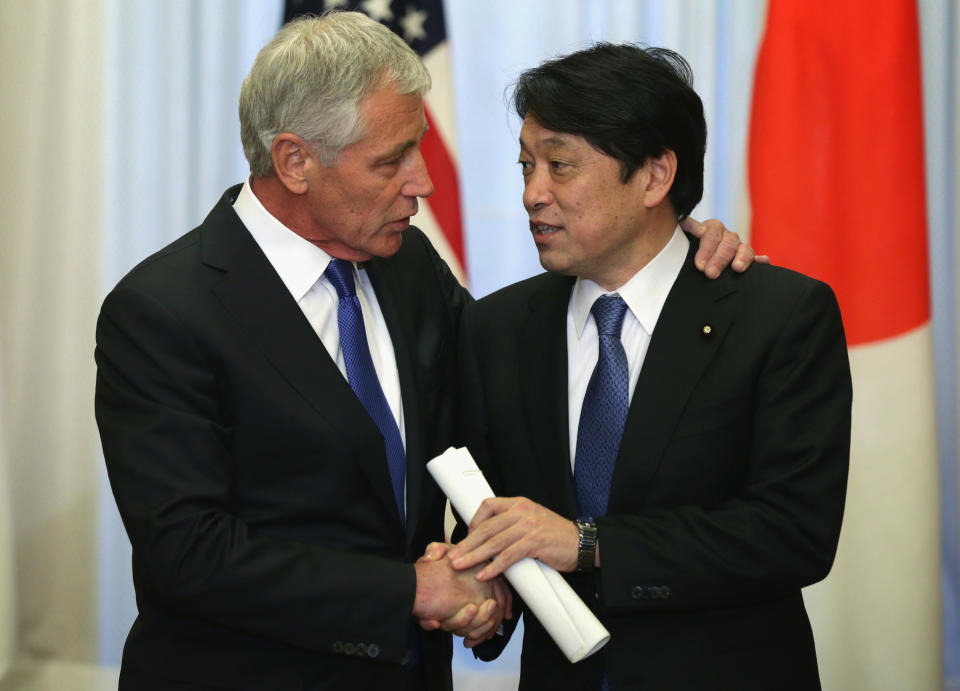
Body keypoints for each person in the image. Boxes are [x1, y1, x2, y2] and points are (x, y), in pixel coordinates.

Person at [95, 12, 752, 690]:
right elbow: (190, 554)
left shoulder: (405, 262)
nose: (423, 182)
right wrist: (408, 590)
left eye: (418, 148)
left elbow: (502, 414)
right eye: (391, 160)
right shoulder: (165, 311)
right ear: (295, 161)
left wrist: (666, 245)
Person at [443, 43, 852, 690]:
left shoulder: (779, 315)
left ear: (656, 177)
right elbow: (499, 526)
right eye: (526, 166)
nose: (532, 194)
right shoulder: (494, 328)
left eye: (560, 165)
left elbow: (791, 533)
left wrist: (587, 542)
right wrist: (481, 594)